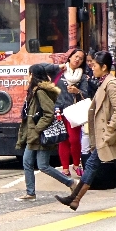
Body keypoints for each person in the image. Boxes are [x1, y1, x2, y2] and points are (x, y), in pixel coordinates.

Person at [56, 51, 116, 213]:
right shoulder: (103, 82)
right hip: (108, 134)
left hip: (109, 135)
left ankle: (74, 199)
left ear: (104, 67)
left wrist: (109, 131)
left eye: (95, 65)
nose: (92, 67)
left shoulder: (111, 84)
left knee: (91, 165)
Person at [15, 65, 75, 201]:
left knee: (43, 166)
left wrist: (37, 129)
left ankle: (70, 182)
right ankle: (30, 193)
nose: (28, 77)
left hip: (40, 135)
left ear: (33, 76)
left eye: (29, 74)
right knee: (27, 162)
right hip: (34, 134)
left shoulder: (40, 92)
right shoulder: (35, 91)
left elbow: (48, 114)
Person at [56, 49, 86, 178]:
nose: (77, 59)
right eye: (76, 56)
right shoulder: (60, 72)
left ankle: (76, 164)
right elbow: (52, 89)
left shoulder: (83, 76)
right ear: (70, 57)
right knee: (63, 139)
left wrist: (77, 91)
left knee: (74, 139)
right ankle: (65, 168)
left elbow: (86, 93)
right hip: (60, 110)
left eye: (81, 58)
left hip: (75, 111)